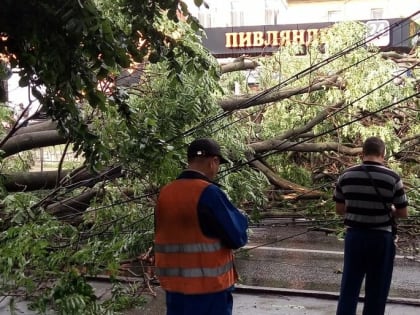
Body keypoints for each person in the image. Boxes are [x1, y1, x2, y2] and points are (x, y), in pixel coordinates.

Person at [154, 138, 248, 315]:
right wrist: (241, 217)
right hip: (209, 291)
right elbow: (237, 237)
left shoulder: (165, 193)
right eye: (218, 163)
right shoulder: (209, 193)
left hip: (174, 290)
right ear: (213, 162)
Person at [334, 136, 408, 315]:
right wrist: (390, 209)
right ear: (383, 154)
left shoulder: (346, 176)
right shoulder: (393, 178)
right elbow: (402, 213)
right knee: (377, 289)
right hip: (381, 239)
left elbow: (339, 209)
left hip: (355, 237)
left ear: (362, 153)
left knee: (349, 286)